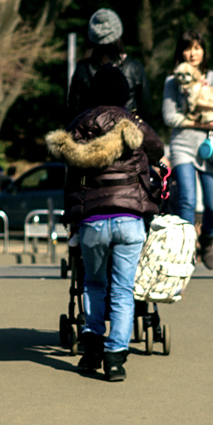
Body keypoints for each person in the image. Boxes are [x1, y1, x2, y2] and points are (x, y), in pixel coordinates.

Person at [47, 65, 165, 381]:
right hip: (130, 218)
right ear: (124, 94)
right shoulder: (133, 122)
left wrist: (70, 218)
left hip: (92, 222)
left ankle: (92, 350)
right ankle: (115, 358)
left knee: (94, 284)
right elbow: (158, 150)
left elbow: (71, 179)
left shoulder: (79, 124)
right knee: (123, 290)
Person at [162, 29, 213, 268]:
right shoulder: (173, 82)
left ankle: (206, 241)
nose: (192, 53)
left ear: (204, 51)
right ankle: (186, 250)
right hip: (183, 144)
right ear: (181, 53)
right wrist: (198, 122)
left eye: (197, 47)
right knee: (186, 199)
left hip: (210, 147)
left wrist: (206, 102)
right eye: (187, 48)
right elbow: (169, 117)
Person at [68, 9, 151, 120]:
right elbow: (145, 110)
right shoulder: (134, 67)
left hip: (92, 133)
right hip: (126, 132)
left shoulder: (83, 69)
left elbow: (73, 112)